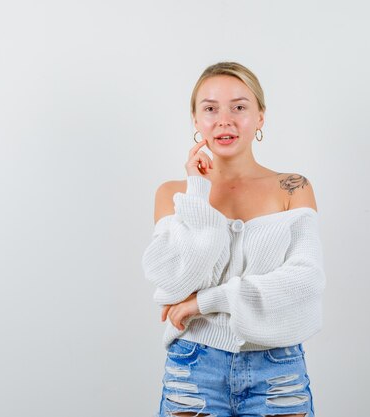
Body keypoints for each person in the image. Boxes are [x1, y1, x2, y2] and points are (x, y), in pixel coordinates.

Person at [141, 62, 326, 417]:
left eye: (239, 107)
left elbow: (306, 281)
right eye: (210, 109)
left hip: (278, 370)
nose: (224, 120)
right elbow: (172, 282)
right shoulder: (174, 194)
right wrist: (197, 191)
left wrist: (206, 301)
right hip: (194, 368)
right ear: (196, 121)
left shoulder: (294, 187)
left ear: (260, 117)